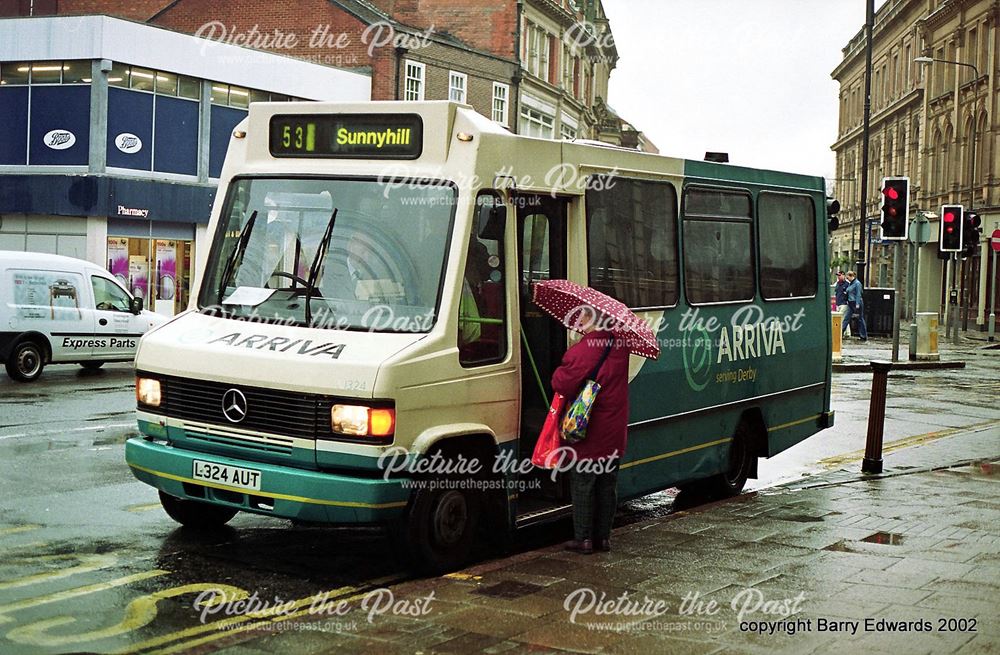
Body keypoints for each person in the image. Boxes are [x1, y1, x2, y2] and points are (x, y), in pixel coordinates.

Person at [550, 312, 630, 554]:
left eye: (583, 317)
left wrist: (574, 348)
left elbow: (559, 382)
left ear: (593, 321)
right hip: (614, 430)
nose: (579, 321)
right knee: (607, 485)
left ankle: (583, 539)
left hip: (588, 431)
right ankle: (603, 539)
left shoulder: (582, 351)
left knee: (583, 484)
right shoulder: (621, 345)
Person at [843, 270, 868, 341]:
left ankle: (863, 335)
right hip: (851, 303)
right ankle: (840, 332)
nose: (847, 279)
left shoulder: (857, 284)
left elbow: (858, 294)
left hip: (856, 303)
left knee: (860, 319)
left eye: (848, 278)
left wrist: (857, 304)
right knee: (846, 318)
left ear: (852, 276)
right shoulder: (851, 283)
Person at [834, 271, 851, 336]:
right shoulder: (837, 283)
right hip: (838, 303)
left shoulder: (847, 284)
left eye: (839, 275)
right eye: (838, 275)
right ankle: (847, 333)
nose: (838, 277)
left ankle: (842, 332)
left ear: (843, 275)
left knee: (841, 318)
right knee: (844, 318)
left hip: (844, 303)